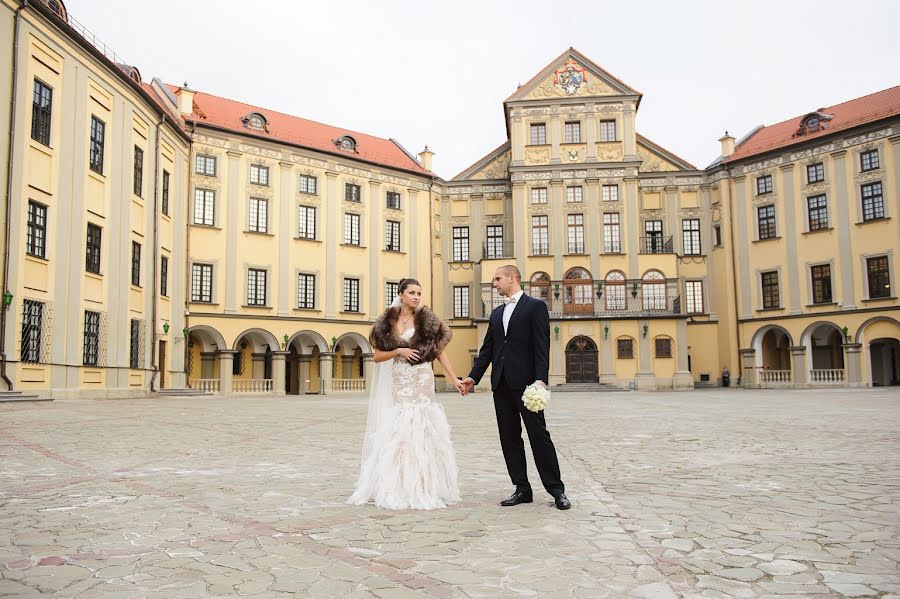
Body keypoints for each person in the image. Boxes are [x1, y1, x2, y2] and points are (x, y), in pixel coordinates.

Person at [347, 278, 467, 510]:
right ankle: (399, 483)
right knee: (401, 426)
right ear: (401, 294)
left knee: (423, 425)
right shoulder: (385, 322)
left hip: (422, 377)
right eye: (412, 292)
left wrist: (454, 379)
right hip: (400, 378)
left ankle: (426, 484)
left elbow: (440, 353)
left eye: (419, 293)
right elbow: (378, 356)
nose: (416, 297)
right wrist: (399, 350)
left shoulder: (428, 320)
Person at [461, 265, 570, 510]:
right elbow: (488, 349)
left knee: (539, 436)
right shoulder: (496, 313)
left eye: (498, 279)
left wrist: (540, 380)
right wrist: (473, 377)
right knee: (509, 438)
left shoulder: (535, 307)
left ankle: (557, 490)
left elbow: (542, 346)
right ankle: (522, 488)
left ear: (513, 278)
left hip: (527, 385)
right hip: (500, 384)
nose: (495, 284)